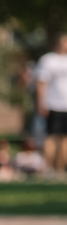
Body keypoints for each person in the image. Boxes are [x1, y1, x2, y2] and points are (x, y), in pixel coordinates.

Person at [37, 33, 67, 172]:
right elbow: (41, 83)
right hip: (53, 105)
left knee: (64, 139)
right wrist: (40, 103)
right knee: (50, 137)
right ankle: (48, 169)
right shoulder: (48, 60)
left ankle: (60, 170)